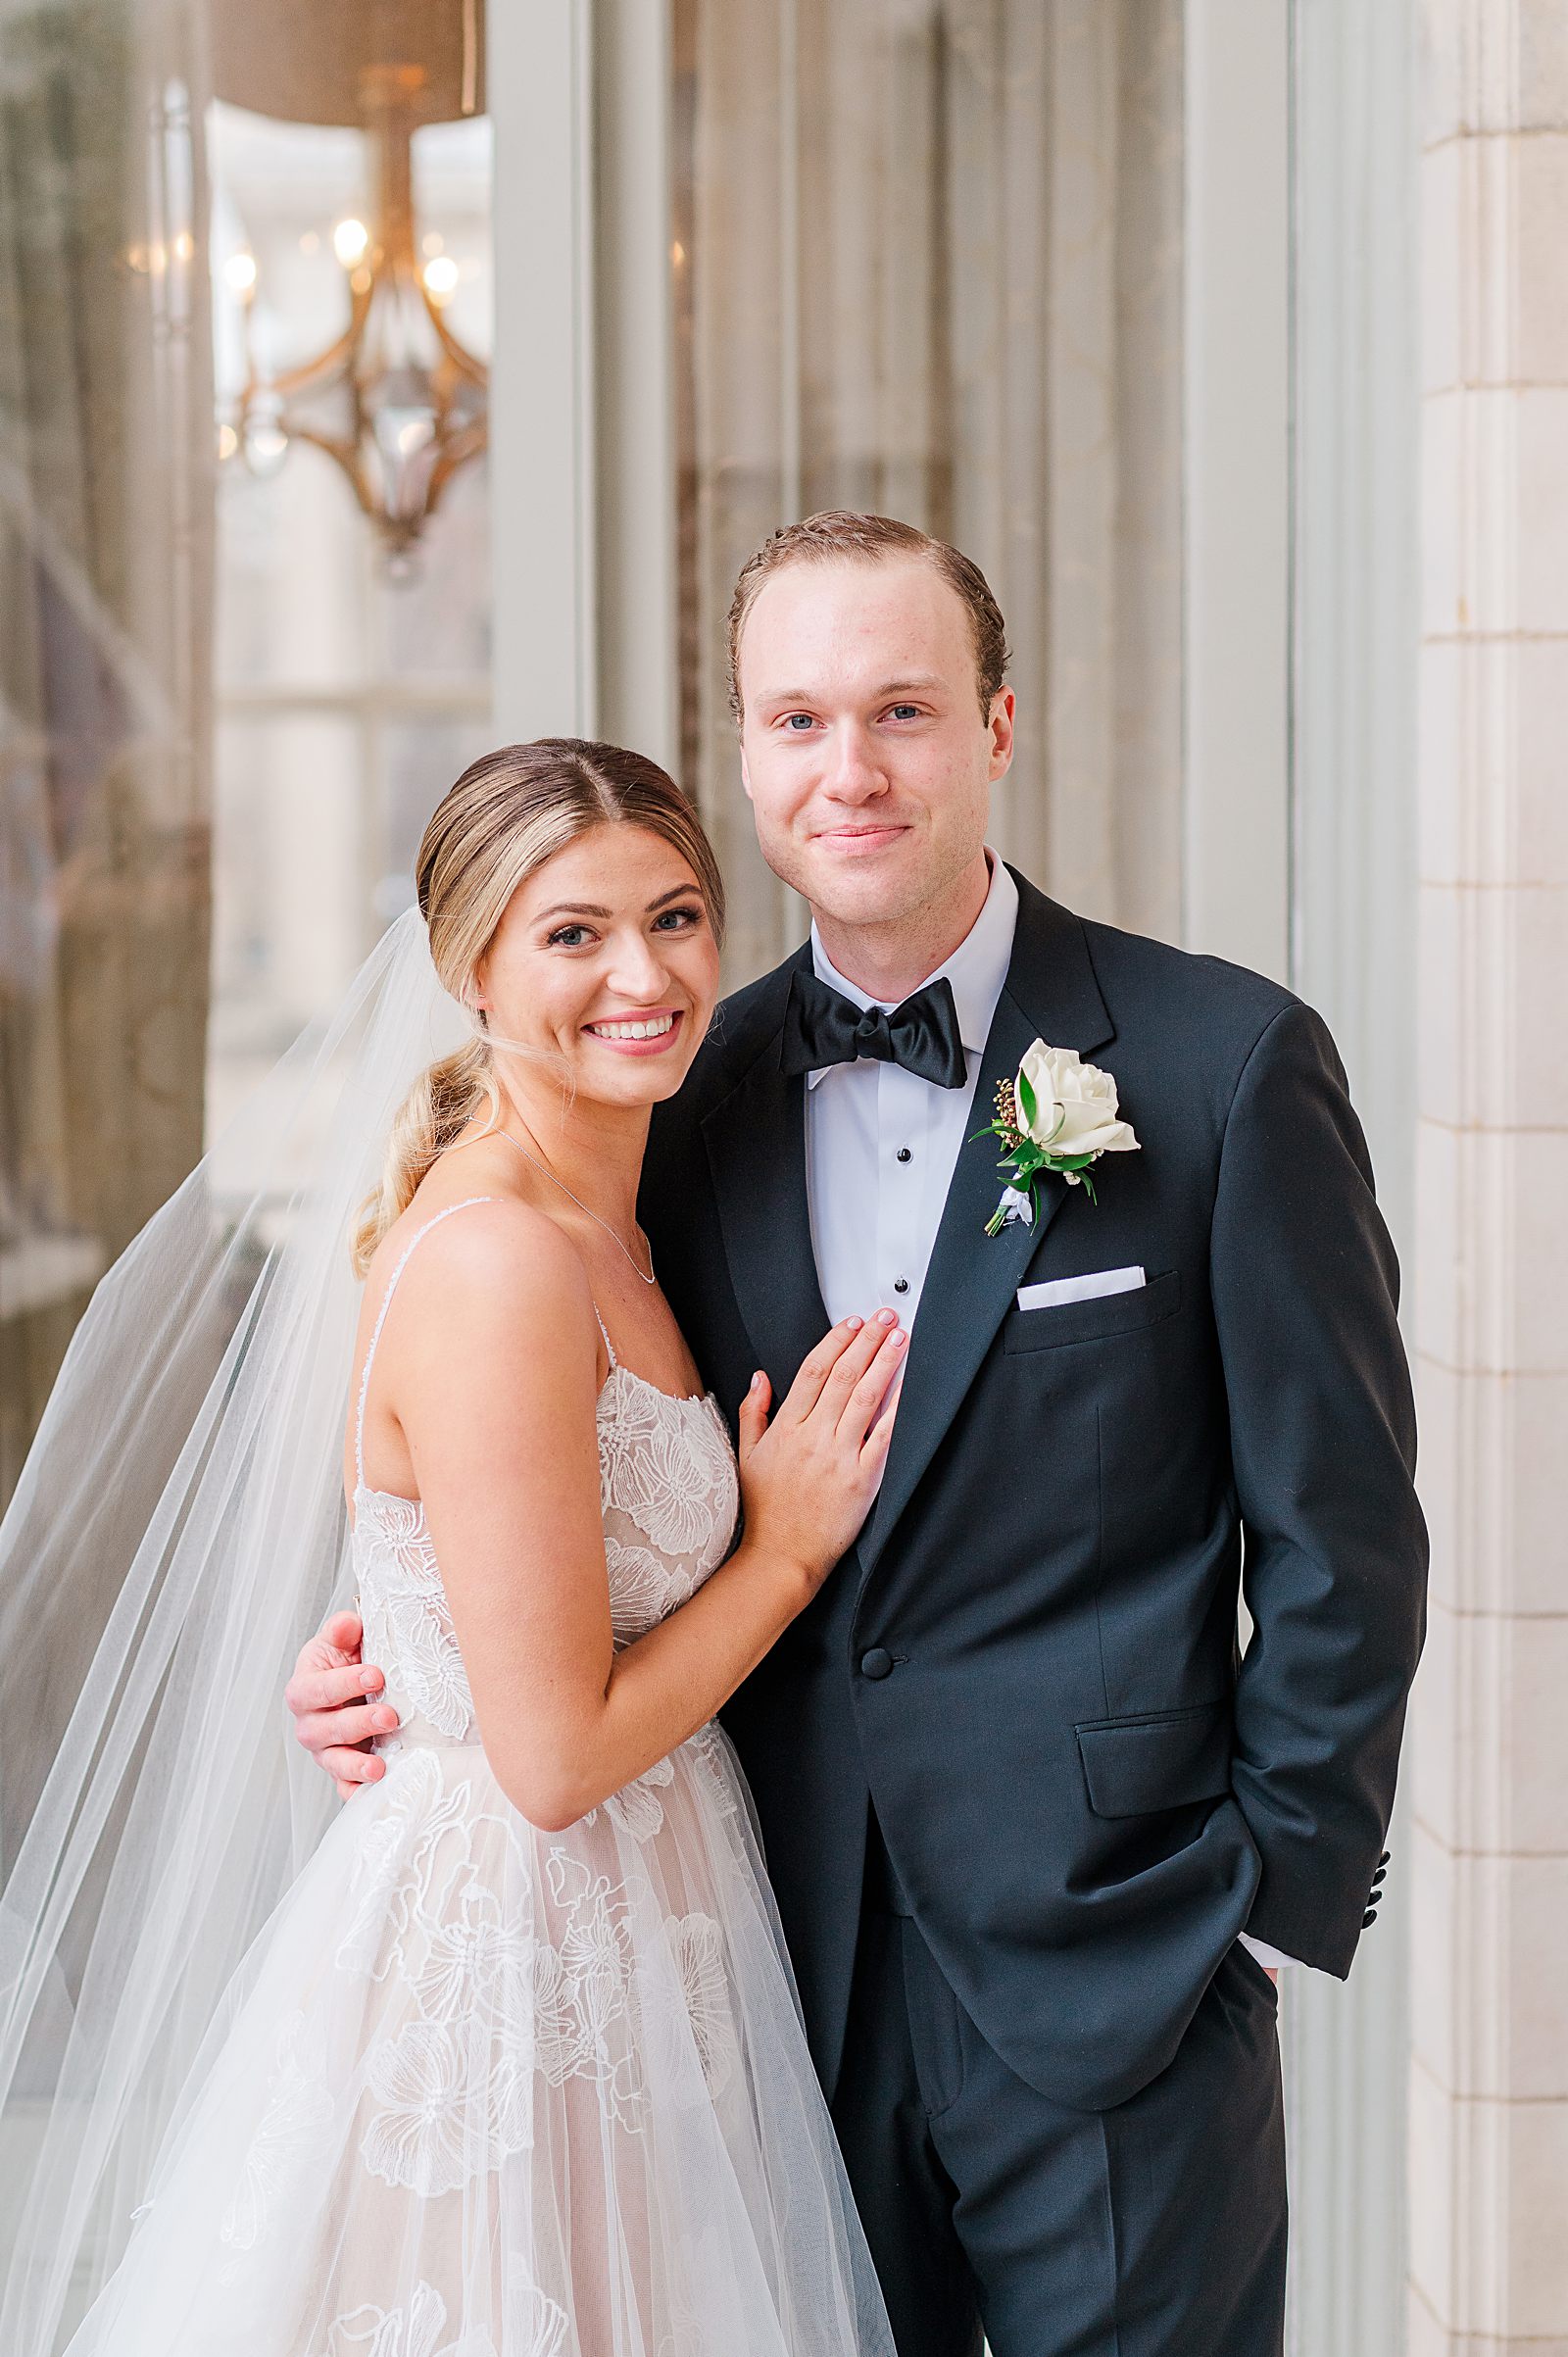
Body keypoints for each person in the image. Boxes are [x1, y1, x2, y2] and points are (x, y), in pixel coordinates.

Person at [294, 513, 1429, 2357]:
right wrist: (397, 1657)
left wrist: (1261, 1908)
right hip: (757, 1984)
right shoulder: (673, 1086)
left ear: (994, 727)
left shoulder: (1223, 1069)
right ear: (746, 753)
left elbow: (1346, 1535)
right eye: (799, 719)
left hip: (1118, 1980)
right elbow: (537, 1451)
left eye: (900, 711)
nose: (852, 770)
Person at [1, 742, 899, 2355]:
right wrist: (782, 1548)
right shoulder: (497, 1260)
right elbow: (549, 1756)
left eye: (678, 915)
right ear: (465, 966)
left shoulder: (629, 1209)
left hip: (650, 1930)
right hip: (515, 1956)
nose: (645, 972)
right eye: (573, 933)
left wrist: (380, 1640)